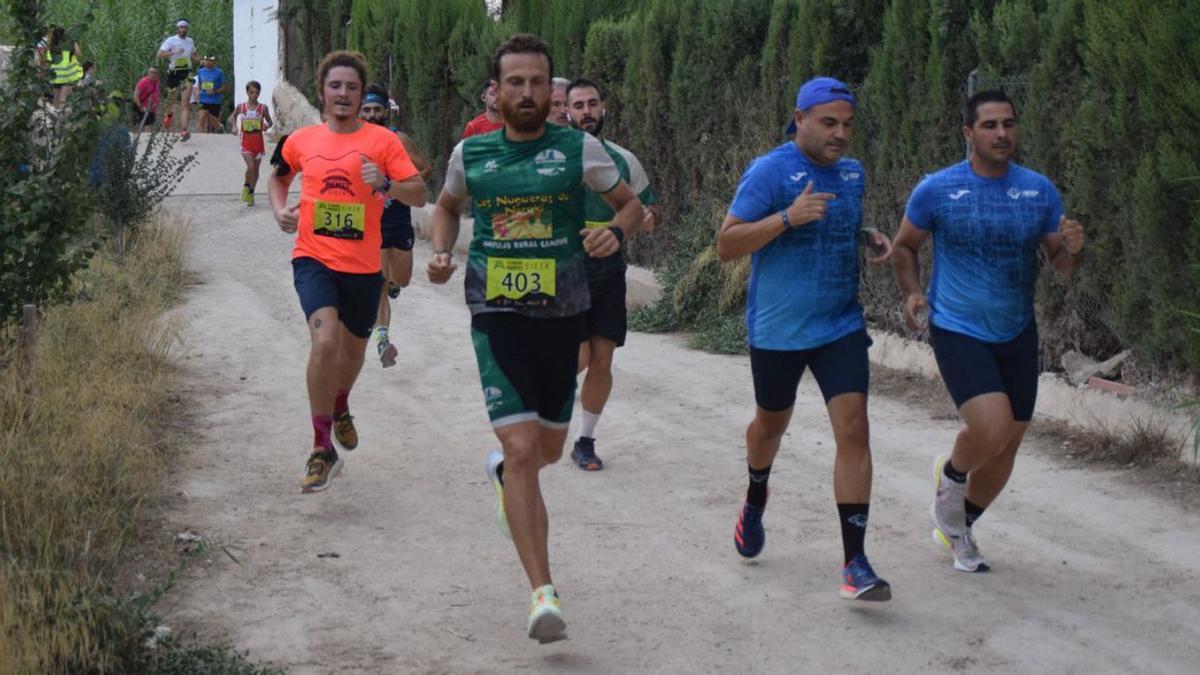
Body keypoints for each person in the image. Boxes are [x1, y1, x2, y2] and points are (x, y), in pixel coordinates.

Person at [427, 33, 642, 643]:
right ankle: (542, 594)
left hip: (563, 313)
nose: (526, 92)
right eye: (514, 82)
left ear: (553, 91)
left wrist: (614, 232)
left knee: (545, 451)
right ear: (496, 92)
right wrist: (443, 251)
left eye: (537, 82)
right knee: (523, 453)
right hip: (496, 315)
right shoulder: (471, 153)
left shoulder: (581, 149)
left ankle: (508, 477)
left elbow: (630, 206)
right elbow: (446, 207)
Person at [891, 90, 1086, 573]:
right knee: (992, 428)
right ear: (968, 133)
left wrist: (1073, 248)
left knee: (1008, 443)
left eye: (1009, 124)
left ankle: (958, 526)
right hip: (957, 325)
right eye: (991, 125)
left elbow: (1059, 264)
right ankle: (953, 476)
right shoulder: (937, 189)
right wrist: (912, 293)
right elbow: (904, 247)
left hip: (1016, 328)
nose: (1002, 134)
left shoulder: (1038, 190)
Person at [715, 77, 894, 601]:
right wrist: (787, 217)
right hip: (779, 328)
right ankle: (754, 497)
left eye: (847, 124)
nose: (840, 134)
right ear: (800, 119)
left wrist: (866, 235)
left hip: (839, 324)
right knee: (770, 426)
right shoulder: (770, 171)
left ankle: (855, 562)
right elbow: (726, 243)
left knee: (854, 430)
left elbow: (837, 223)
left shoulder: (853, 172)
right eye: (829, 123)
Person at [267, 51, 426, 493]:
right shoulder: (302, 140)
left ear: (361, 94)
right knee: (325, 342)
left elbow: (419, 193)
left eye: (351, 87)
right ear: (321, 92)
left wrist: (387, 184)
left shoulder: (383, 142)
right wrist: (280, 210)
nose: (343, 94)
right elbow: (278, 178)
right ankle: (322, 449)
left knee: (353, 355)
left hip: (363, 267)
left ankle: (340, 404)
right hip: (313, 258)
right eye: (335, 86)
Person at [565, 78, 661, 471]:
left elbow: (647, 209)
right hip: (564, 269)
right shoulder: (555, 158)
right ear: (566, 112)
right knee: (576, 356)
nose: (587, 111)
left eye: (593, 104)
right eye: (578, 105)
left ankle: (585, 440)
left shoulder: (623, 160)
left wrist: (646, 219)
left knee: (603, 356)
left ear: (603, 109)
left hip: (608, 270)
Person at [360, 83, 432, 367]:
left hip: (397, 217)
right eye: (367, 109)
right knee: (377, 282)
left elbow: (424, 169)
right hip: (369, 222)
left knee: (401, 278)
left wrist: (397, 186)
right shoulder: (351, 141)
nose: (373, 115)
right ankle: (382, 339)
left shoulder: (398, 139)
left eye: (377, 109)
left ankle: (393, 283)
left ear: (386, 112)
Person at [229, 80, 273, 206]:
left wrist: (266, 126)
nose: (255, 95)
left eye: (257, 92)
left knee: (256, 170)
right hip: (245, 142)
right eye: (252, 92)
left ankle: (251, 193)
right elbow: (233, 116)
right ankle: (246, 187)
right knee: (251, 167)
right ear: (247, 92)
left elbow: (270, 122)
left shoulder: (263, 108)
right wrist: (234, 127)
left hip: (258, 143)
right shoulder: (241, 107)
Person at [157, 19, 198, 140]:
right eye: (181, 27)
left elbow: (194, 54)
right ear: (177, 28)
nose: (183, 29)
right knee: (171, 101)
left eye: (185, 27)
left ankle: (184, 130)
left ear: (187, 29)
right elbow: (159, 55)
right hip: (173, 74)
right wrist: (173, 52)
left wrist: (201, 60)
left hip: (186, 74)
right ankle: (169, 115)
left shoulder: (190, 41)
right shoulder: (171, 40)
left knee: (185, 104)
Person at [45, 26, 83, 106]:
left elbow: (47, 58)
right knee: (63, 97)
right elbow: (78, 53)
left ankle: (54, 112)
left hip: (56, 74)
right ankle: (61, 114)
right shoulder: (71, 42)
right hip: (67, 73)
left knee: (56, 96)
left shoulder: (51, 44)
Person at [194, 55, 226, 133]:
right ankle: (201, 140)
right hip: (203, 99)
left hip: (215, 100)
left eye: (210, 60)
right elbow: (199, 85)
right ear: (204, 61)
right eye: (206, 60)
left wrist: (215, 91)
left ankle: (220, 128)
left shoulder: (219, 72)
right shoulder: (200, 72)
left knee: (213, 123)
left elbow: (224, 87)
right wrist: (197, 96)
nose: (208, 62)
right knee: (201, 118)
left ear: (214, 61)